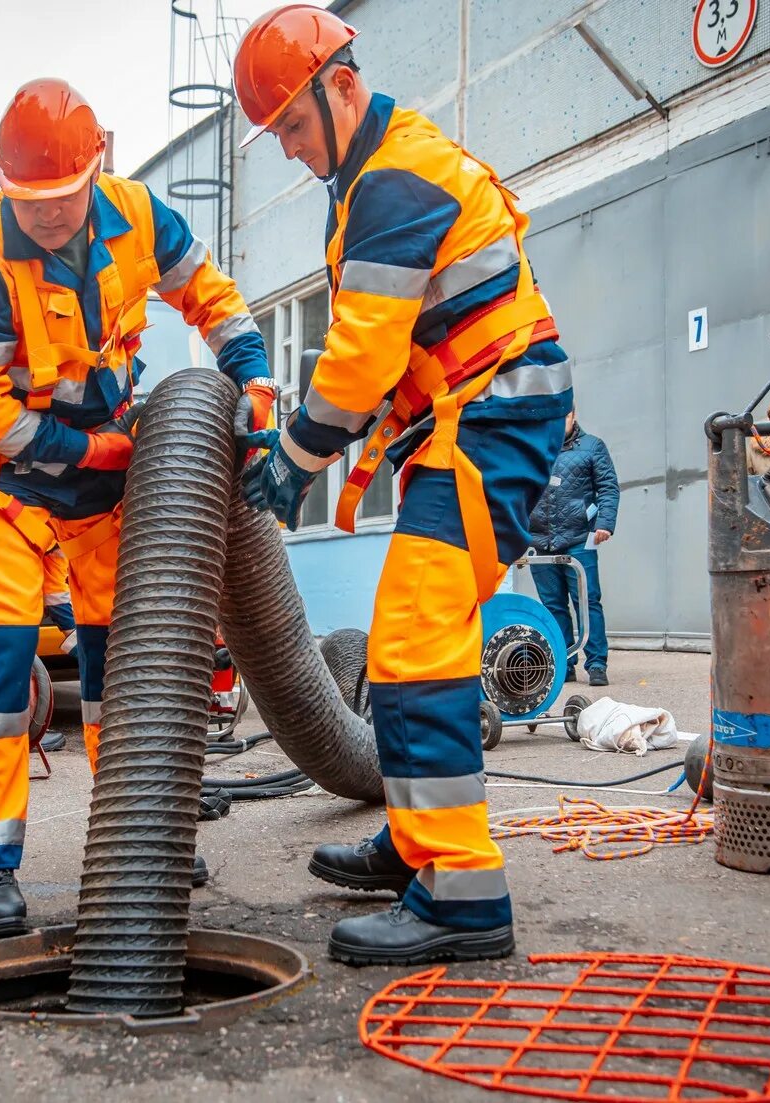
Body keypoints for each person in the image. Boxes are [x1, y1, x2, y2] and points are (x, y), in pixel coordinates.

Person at [233, 5, 571, 966]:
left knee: (422, 635)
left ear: (344, 87)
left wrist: (293, 463)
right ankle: (416, 843)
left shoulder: (392, 178)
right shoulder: (366, 182)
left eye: (295, 125)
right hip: (469, 416)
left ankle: (462, 899)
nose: (292, 150)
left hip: (497, 410)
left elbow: (358, 359)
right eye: (279, 136)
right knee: (407, 631)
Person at [0, 78, 274, 936]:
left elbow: (209, 294)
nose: (47, 217)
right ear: (1, 182)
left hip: (107, 493)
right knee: (3, 672)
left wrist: (253, 371)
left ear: (98, 165)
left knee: (128, 670)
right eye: (29, 203)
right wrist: (84, 450)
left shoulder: (139, 217)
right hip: (14, 491)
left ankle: (137, 837)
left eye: (62, 198)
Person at [528, 409, 618, 686]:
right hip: (541, 541)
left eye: (562, 417)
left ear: (573, 416)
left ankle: (597, 664)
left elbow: (608, 487)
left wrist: (604, 523)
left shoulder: (592, 447)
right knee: (553, 605)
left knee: (587, 602)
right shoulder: (533, 451)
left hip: (579, 539)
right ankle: (564, 662)